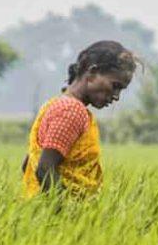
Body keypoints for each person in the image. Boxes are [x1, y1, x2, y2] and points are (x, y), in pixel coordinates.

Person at [21, 40, 138, 197]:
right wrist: (67, 212)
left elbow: (28, 163)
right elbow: (44, 168)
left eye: (120, 90)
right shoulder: (71, 111)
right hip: (60, 216)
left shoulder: (54, 104)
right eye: (115, 86)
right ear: (92, 73)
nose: (116, 96)